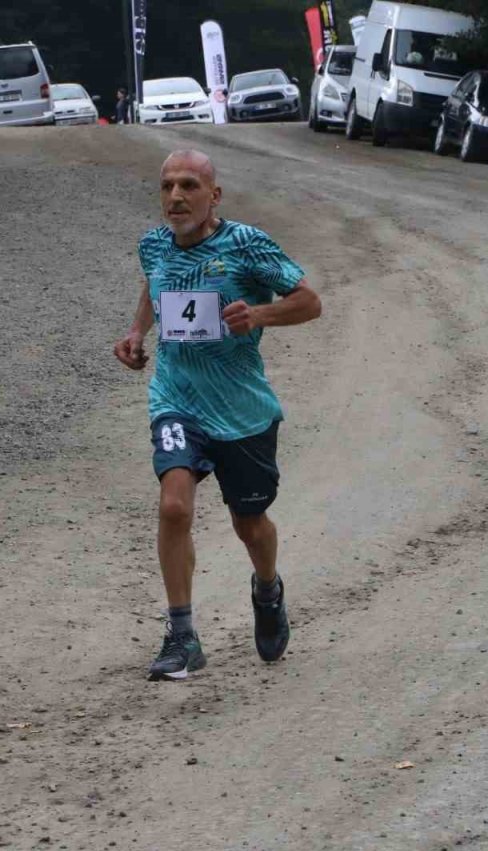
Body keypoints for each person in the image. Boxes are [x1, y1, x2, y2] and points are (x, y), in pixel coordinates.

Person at [114, 150, 322, 681]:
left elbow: (309, 301)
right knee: (174, 506)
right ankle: (181, 635)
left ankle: (268, 589)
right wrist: (139, 333)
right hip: (176, 398)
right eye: (166, 187)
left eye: (188, 185)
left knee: (249, 523)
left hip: (241, 410)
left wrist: (258, 314)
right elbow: (154, 284)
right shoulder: (154, 243)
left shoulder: (247, 245)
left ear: (214, 195)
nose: (176, 197)